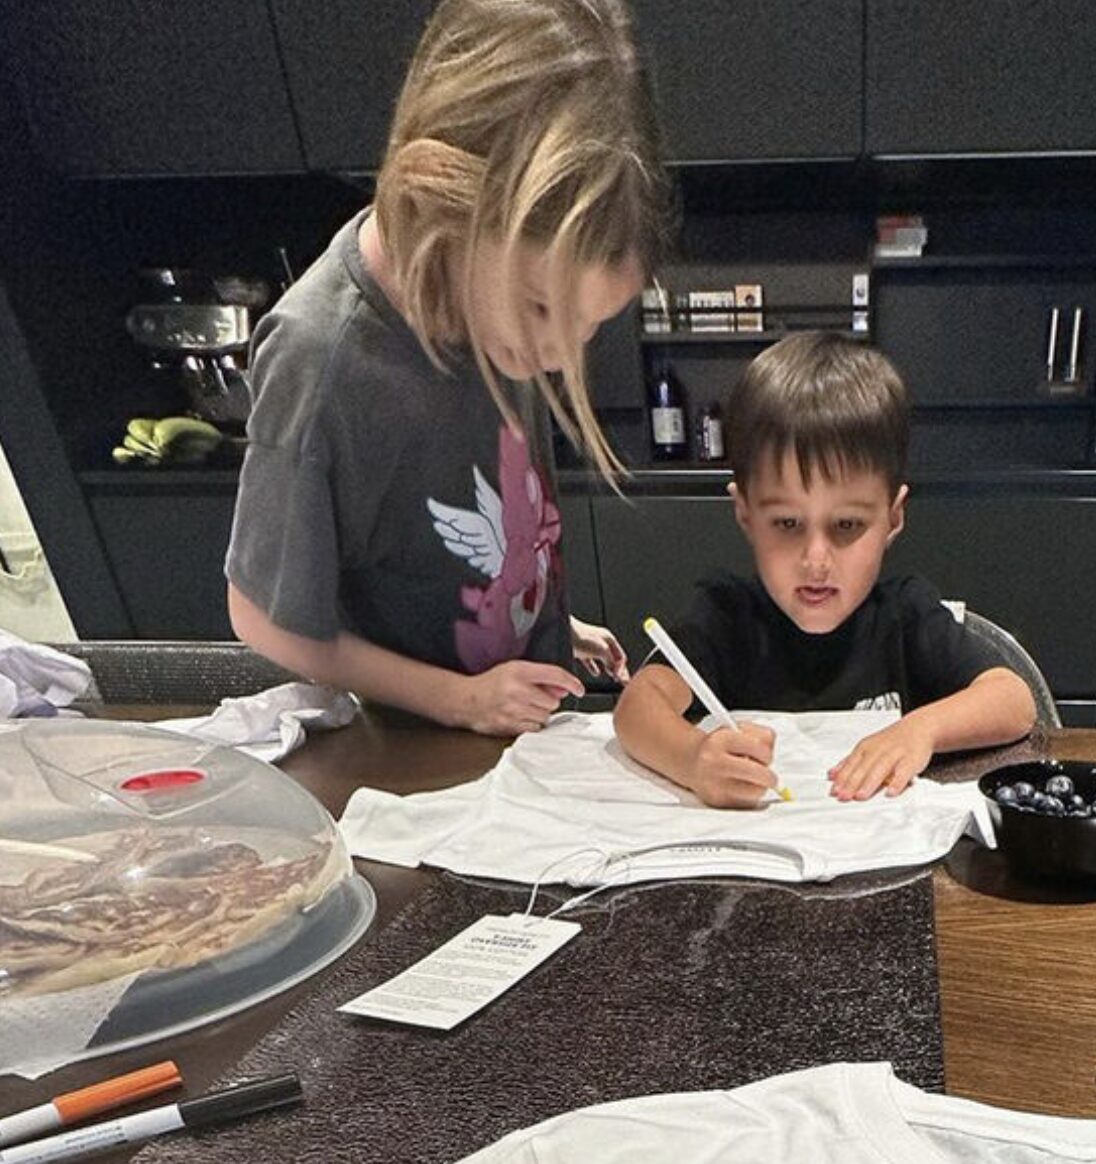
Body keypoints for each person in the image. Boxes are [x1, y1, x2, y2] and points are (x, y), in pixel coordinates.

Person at [225, 0, 673, 738]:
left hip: (517, 722)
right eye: (540, 309)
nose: (560, 354)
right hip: (421, 749)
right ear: (444, 197)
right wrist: (458, 699)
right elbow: (261, 618)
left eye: (590, 324)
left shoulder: (497, 302)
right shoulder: (324, 360)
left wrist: (551, 621)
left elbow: (462, 544)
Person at [613, 332, 1036, 808]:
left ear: (893, 517)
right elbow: (637, 707)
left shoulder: (904, 612)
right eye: (787, 523)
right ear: (745, 513)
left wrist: (921, 729)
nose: (816, 559)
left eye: (847, 525)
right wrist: (693, 759)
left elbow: (1014, 700)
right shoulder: (726, 616)